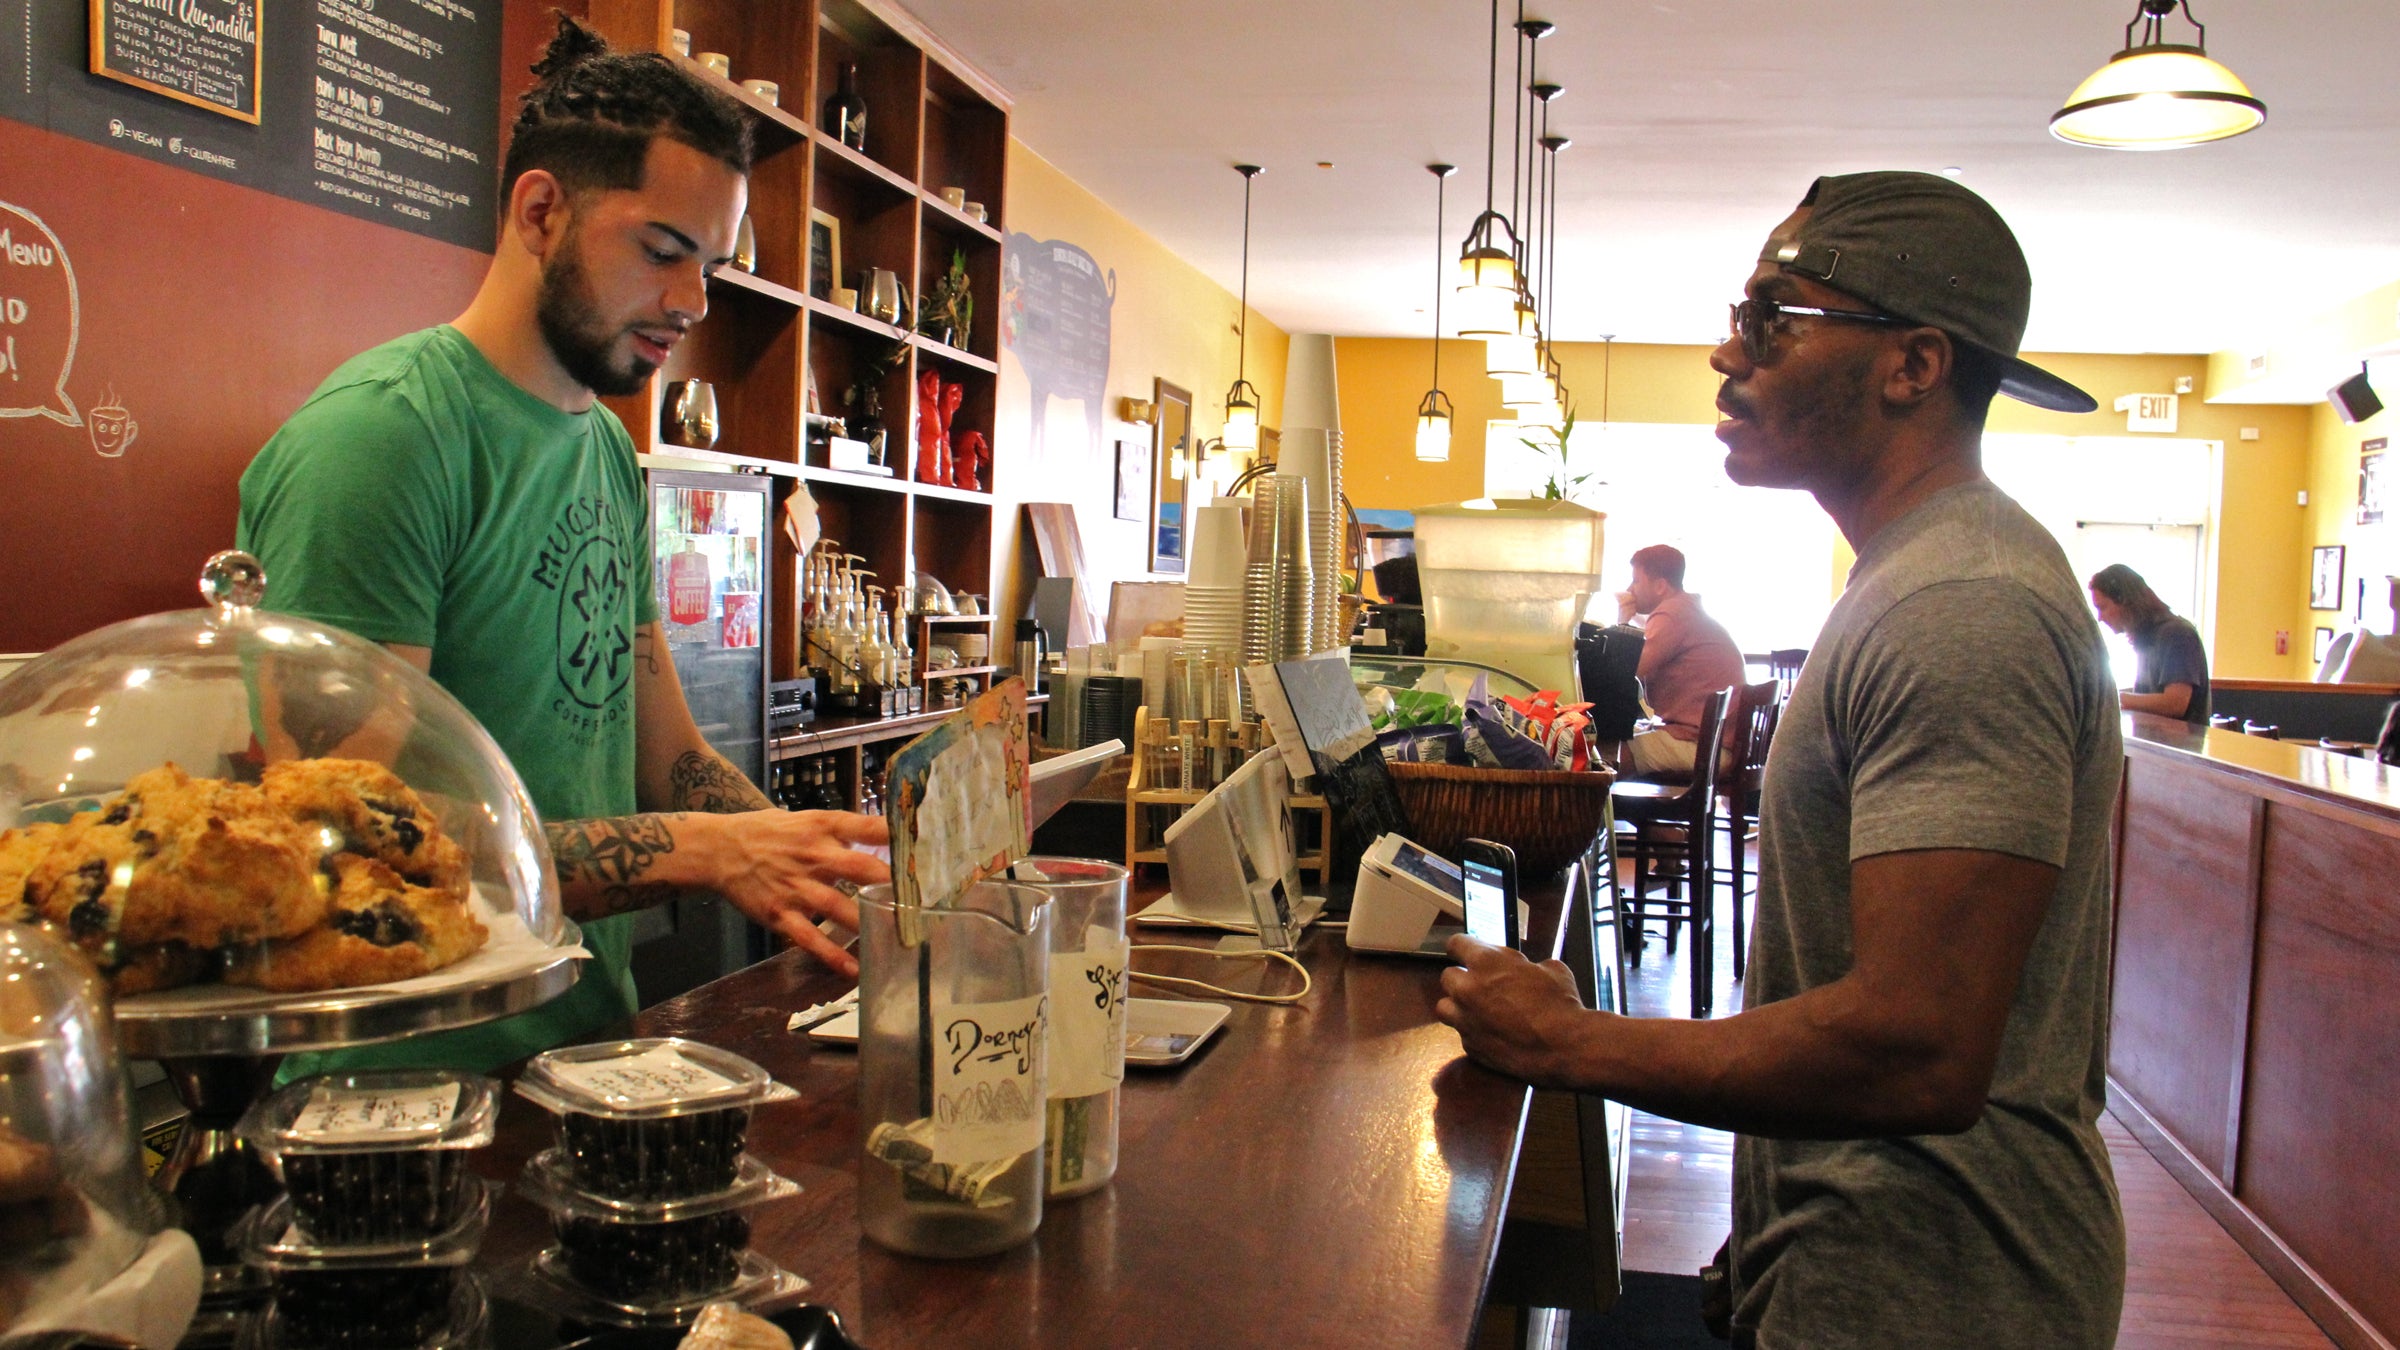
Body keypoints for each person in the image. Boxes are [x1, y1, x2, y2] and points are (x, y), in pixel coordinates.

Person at [1438, 171, 2126, 1349]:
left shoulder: (1963, 604)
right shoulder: (1916, 574)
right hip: (1863, 1252)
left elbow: (1919, 1048)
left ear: (1913, 365)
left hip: (1937, 1285)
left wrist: (1570, 1041)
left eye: (1770, 318)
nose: (1725, 352)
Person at [237, 16, 887, 1071]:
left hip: (581, 1049)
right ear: (541, 210)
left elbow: (666, 754)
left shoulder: (602, 456)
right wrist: (710, 853)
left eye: (710, 266)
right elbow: (354, 840)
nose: (692, 302)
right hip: (396, 1094)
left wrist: (837, 865)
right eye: (662, 252)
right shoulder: (382, 441)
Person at [1614, 544, 1745, 779]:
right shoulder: (1685, 610)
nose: (1629, 589)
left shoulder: (1672, 614)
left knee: (1606, 753)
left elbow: (1627, 669)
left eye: (1636, 581)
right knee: (1621, 739)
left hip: (1708, 747)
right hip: (1717, 741)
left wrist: (1622, 621)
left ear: (1660, 586)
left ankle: (1597, 815)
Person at [2089, 563, 2211, 725]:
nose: (2099, 617)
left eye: (2102, 607)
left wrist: (2115, 698)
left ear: (2124, 601)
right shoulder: (2147, 638)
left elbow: (2175, 703)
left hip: (2178, 746)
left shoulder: (2177, 634)